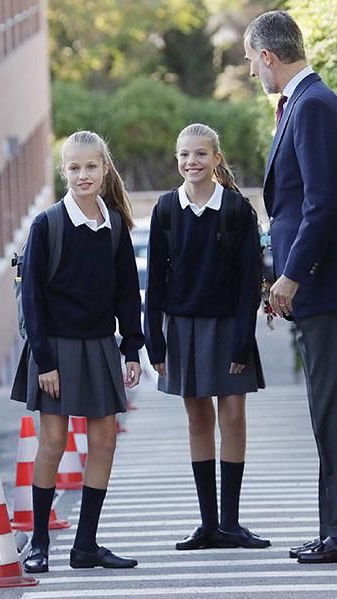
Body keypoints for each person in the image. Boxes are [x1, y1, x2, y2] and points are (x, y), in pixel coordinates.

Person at [12, 130, 144, 573]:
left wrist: (131, 348)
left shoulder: (115, 227)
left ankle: (86, 544)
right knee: (52, 441)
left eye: (91, 166)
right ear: (63, 170)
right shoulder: (47, 224)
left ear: (105, 168)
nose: (83, 174)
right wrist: (44, 361)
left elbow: (128, 292)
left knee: (104, 440)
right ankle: (39, 542)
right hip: (57, 350)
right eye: (73, 167)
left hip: (102, 346)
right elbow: (33, 299)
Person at [145, 123, 269, 551]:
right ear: (176, 159)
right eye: (184, 155)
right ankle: (208, 525)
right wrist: (153, 340)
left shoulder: (237, 209)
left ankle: (232, 524)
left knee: (232, 417)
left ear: (216, 158)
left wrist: (241, 340)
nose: (191, 162)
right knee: (198, 420)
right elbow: (157, 281)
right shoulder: (165, 210)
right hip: (181, 327)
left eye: (200, 154)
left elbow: (249, 282)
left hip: (228, 327)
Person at [244, 11, 337, 563]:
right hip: (316, 290)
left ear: (268, 57)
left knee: (329, 414)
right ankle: (331, 530)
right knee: (326, 415)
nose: (254, 71)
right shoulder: (302, 106)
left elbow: (322, 205)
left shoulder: (313, 107)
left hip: (323, 290)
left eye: (253, 61)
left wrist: (291, 276)